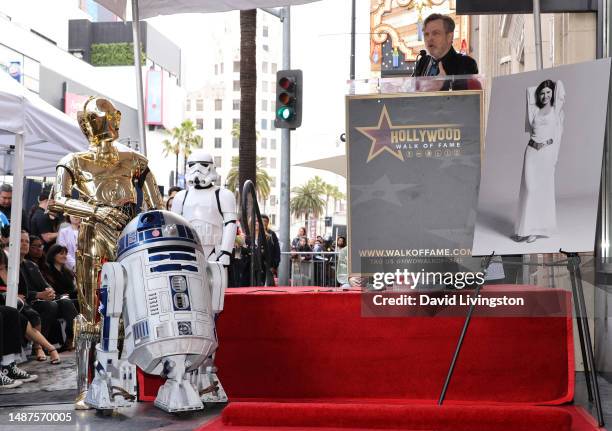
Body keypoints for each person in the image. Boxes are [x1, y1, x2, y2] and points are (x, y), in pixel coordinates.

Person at [514, 79, 565, 243]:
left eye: (549, 92)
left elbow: (558, 136)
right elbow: (529, 92)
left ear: (553, 94)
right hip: (531, 152)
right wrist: (540, 90)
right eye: (542, 93)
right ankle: (524, 229)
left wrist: (555, 158)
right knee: (529, 188)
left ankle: (535, 230)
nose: (545, 95)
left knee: (541, 191)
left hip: (546, 153)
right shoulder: (534, 111)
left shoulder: (557, 111)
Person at [19, 231, 78, 354]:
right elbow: (16, 291)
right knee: (50, 305)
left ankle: (71, 339)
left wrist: (50, 291)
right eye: (21, 241)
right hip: (27, 302)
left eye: (27, 241)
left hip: (41, 299)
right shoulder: (11, 265)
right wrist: (38, 295)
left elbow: (46, 285)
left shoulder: (32, 265)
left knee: (66, 303)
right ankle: (40, 344)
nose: (25, 244)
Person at [413, 14, 478, 90]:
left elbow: (466, 98)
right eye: (426, 34)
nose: (429, 38)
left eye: (435, 33)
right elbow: (409, 90)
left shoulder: (465, 63)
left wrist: (443, 85)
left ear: (449, 37)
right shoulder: (423, 61)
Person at [261, 215, 280, 283]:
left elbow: (277, 250)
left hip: (269, 265)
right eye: (262, 221)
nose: (263, 223)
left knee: (269, 285)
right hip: (258, 265)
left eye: (265, 221)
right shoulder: (255, 232)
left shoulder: (271, 234)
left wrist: (274, 265)